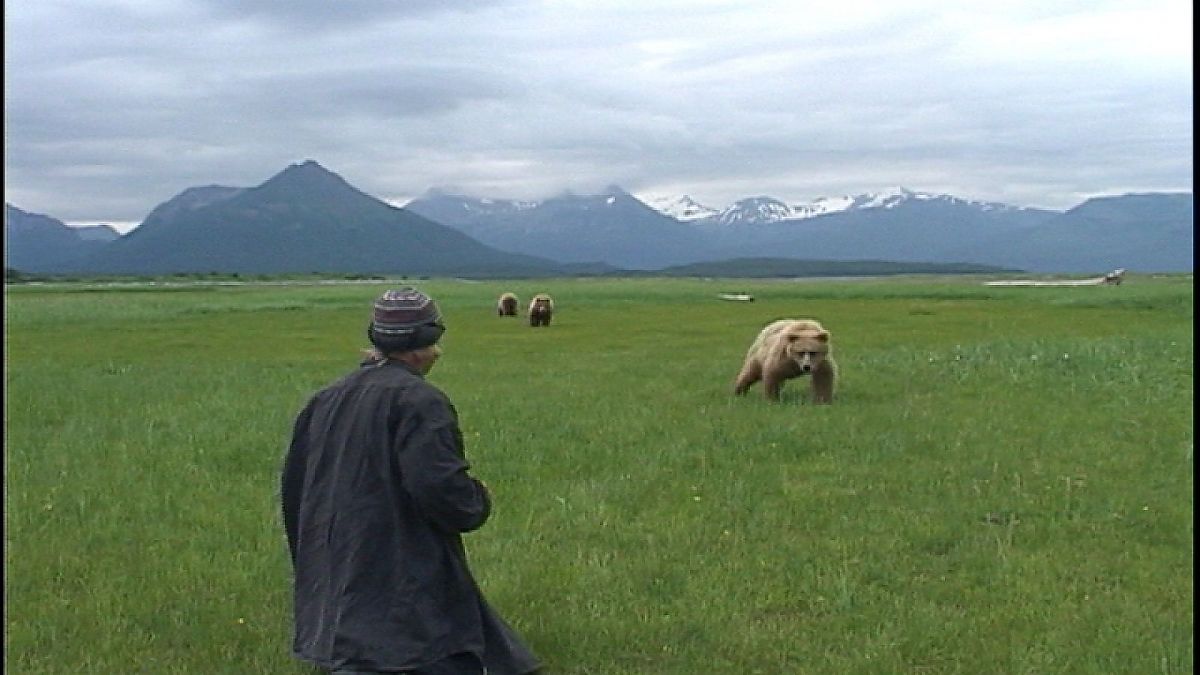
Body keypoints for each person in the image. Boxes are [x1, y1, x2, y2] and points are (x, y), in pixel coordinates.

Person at [281, 287, 542, 675]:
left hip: (339, 568)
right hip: (399, 568)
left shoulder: (325, 399)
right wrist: (476, 500)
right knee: (420, 651)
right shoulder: (420, 401)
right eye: (434, 342)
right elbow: (441, 491)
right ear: (422, 344)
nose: (438, 352)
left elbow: (295, 486)